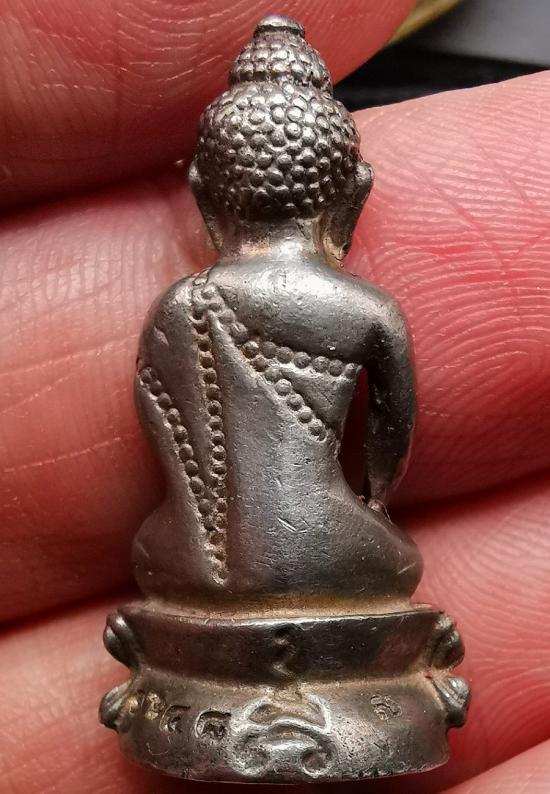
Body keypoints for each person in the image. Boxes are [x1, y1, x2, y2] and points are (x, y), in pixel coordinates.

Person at [1, 2, 549, 792]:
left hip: (184, 560)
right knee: (394, 556)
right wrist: (366, 506)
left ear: (204, 192)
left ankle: (193, 689)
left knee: (158, 549)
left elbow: (168, 443)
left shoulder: (178, 307)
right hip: (329, 547)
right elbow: (388, 453)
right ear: (352, 192)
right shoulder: (365, 310)